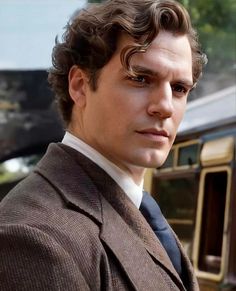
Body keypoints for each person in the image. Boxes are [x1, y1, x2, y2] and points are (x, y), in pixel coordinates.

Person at [0, 0, 206, 290]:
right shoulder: (32, 238)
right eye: (141, 79)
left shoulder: (139, 211)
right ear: (80, 86)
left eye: (179, 88)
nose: (165, 107)